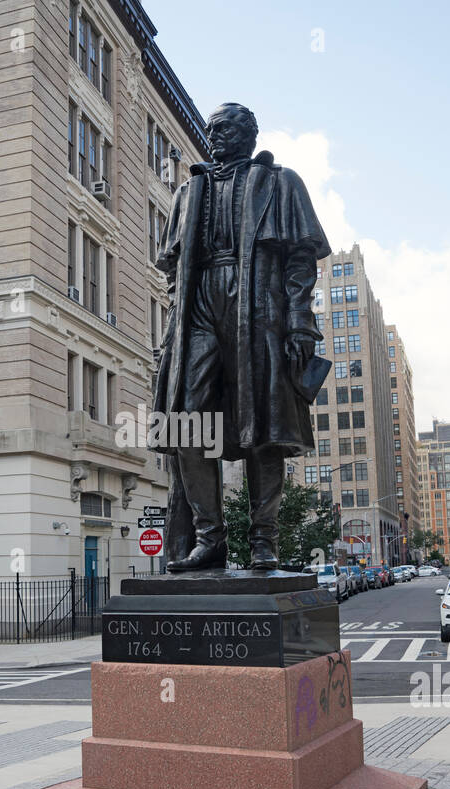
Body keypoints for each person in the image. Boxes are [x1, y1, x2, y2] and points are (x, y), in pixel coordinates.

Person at [153, 102, 331, 571]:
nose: (216, 136)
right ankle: (210, 538)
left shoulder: (280, 181)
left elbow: (300, 261)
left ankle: (263, 542)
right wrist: (176, 314)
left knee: (263, 428)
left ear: (250, 134)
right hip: (198, 307)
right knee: (186, 423)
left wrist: (299, 322)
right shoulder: (188, 192)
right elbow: (171, 265)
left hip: (259, 305)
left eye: (227, 128)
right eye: (211, 130)